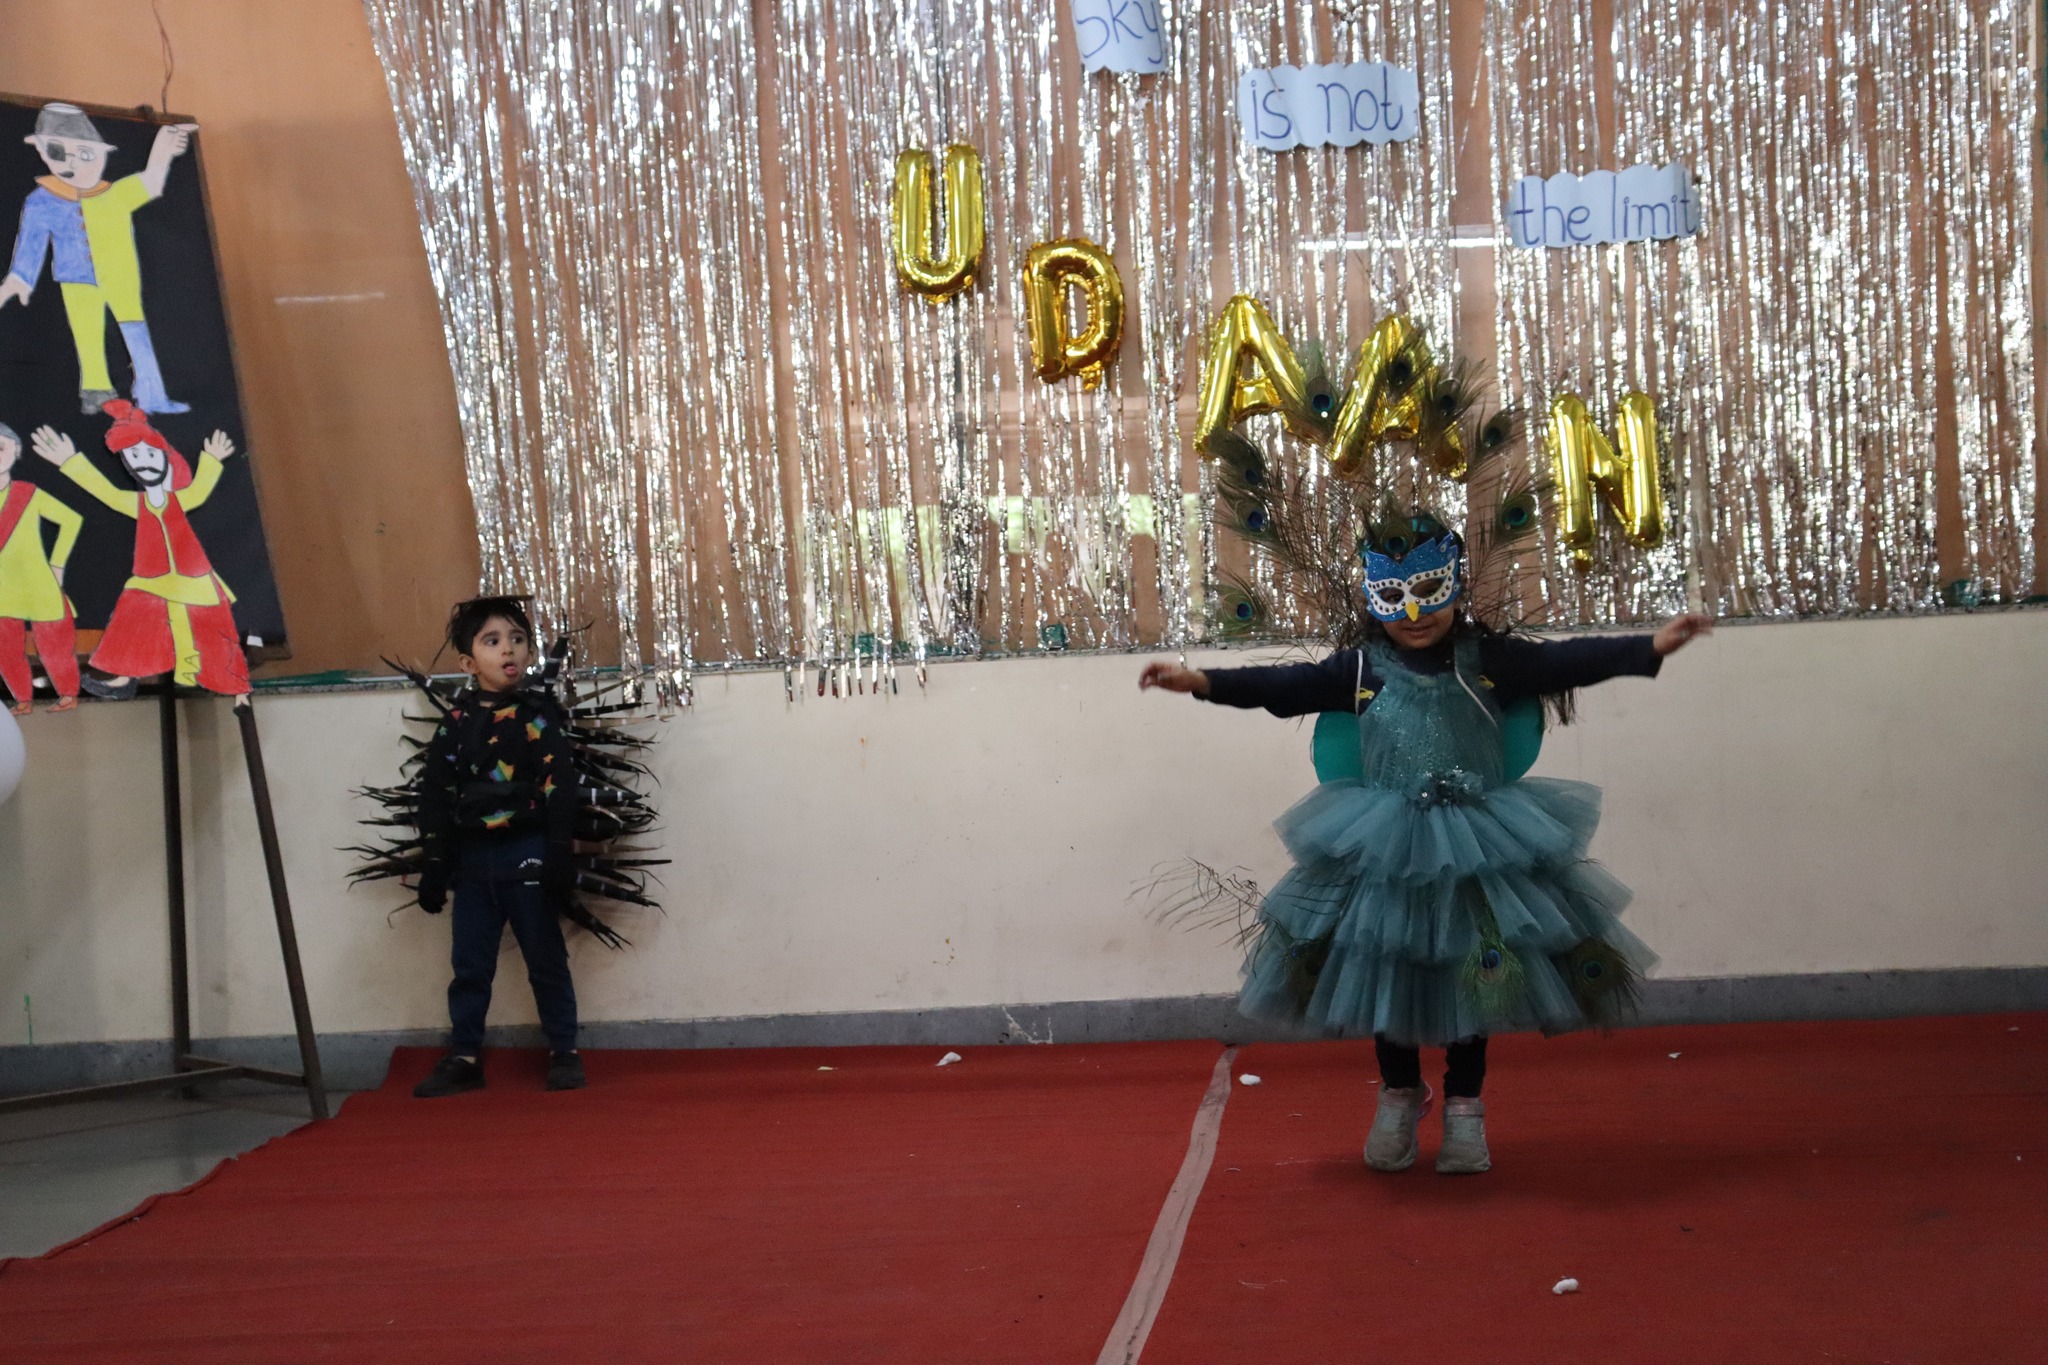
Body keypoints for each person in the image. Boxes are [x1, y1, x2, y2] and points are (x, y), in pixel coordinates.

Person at [1140, 512, 1711, 1174]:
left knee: (1477, 973)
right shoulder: (1361, 668)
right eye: (1394, 596)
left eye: (1429, 592)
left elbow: (1564, 661)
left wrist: (1647, 647)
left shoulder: (1486, 662)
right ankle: (1399, 1092)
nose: (1414, 612)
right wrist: (1203, 682)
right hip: (1390, 851)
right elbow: (1283, 686)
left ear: (1455, 586)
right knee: (1390, 972)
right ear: (1373, 599)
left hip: (1478, 848)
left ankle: (1466, 1106)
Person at [410, 596, 588, 1098]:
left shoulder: (537, 718)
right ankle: (465, 1057)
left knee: (545, 960)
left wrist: (558, 852)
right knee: (469, 965)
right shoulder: (456, 723)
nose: (508, 649)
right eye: (492, 641)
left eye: (517, 639)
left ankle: (564, 1050)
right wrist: (435, 861)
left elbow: (560, 785)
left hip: (527, 855)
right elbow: (436, 793)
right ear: (468, 663)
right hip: (473, 864)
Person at [30, 402, 246, 697]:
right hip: (151, 576)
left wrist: (212, 460)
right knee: (131, 613)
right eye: (134, 456)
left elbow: (199, 492)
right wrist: (71, 461)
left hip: (193, 576)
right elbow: (107, 493)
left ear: (166, 458)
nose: (143, 462)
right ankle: (123, 676)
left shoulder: (178, 500)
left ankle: (232, 686)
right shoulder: (137, 504)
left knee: (213, 632)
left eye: (150, 454)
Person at [1, 103, 198, 415]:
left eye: (85, 154)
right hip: (75, 280)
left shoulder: (115, 194)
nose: (72, 164)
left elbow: (152, 180)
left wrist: (164, 145)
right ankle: (96, 392)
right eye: (57, 152)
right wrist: (18, 279)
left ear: (102, 154)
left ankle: (152, 394)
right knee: (87, 335)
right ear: (41, 151)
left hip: (121, 278)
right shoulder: (41, 201)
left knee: (135, 332)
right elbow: (30, 243)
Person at [0, 422, 83, 713]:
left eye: (0, 447)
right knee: (6, 649)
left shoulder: (27, 493)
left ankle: (68, 694)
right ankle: (22, 699)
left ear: (16, 450)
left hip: (38, 584)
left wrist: (57, 565)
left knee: (54, 644)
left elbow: (71, 520)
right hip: (2, 591)